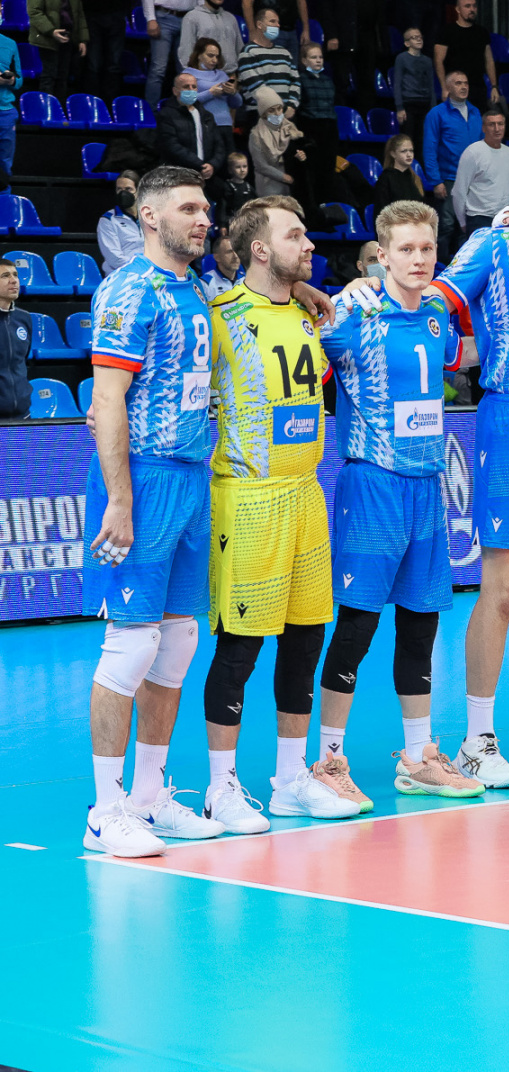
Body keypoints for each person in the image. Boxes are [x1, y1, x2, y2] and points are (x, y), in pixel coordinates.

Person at [348, 129, 509, 783]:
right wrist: (366, 292)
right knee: (503, 586)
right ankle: (477, 740)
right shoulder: (496, 243)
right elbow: (431, 298)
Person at [315, 199, 485, 799]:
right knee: (357, 626)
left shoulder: (436, 314)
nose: (418, 259)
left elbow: (461, 350)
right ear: (381, 255)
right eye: (405, 249)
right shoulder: (354, 313)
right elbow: (303, 339)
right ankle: (328, 761)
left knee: (420, 626)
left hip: (425, 488)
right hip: (373, 484)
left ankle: (418, 757)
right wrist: (330, 296)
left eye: (426, 248)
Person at [80, 166, 227, 856]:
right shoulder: (129, 289)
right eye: (188, 208)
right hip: (142, 479)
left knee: (177, 642)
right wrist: (119, 499)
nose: (203, 219)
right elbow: (107, 399)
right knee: (131, 644)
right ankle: (105, 810)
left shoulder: (194, 287)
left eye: (205, 208)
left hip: (191, 478)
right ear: (148, 217)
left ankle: (148, 797)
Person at [201, 197, 355, 825]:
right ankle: (220, 787)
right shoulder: (219, 317)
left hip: (305, 493)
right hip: (248, 498)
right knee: (240, 649)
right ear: (260, 249)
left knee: (305, 639)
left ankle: (290, 779)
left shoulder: (309, 313)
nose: (310, 244)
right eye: (295, 236)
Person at [316, 0, 385, 115]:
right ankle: (340, 120)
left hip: (367, 38)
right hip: (343, 37)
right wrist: (332, 35)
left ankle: (365, 120)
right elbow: (325, 7)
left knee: (367, 84)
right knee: (341, 82)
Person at [26, 0, 86, 99]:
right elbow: (34, 12)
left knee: (63, 77)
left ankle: (59, 110)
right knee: (49, 75)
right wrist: (51, 31)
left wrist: (81, 38)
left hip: (67, 37)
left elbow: (78, 13)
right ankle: (46, 109)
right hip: (47, 38)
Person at [154, 71, 231, 187]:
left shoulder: (207, 116)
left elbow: (219, 144)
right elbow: (171, 145)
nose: (191, 90)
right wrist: (199, 165)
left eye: (194, 87)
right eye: (186, 87)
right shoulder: (166, 115)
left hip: (207, 175)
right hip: (178, 175)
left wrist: (212, 165)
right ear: (175, 91)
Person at [451, 105, 509, 235]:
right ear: (483, 128)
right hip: (478, 218)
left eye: (500, 124)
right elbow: (459, 191)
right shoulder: (473, 152)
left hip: (505, 219)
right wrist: (462, 222)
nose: (497, 129)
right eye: (491, 124)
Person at [422, 71, 481, 207]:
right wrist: (436, 181)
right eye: (458, 83)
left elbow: (483, 145)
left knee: (472, 218)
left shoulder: (475, 112)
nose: (464, 87)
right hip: (449, 179)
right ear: (448, 88)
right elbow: (429, 149)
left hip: (475, 179)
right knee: (448, 219)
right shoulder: (436, 114)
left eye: (466, 83)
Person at [294, 43, 340, 212]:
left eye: (320, 57)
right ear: (304, 60)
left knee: (328, 170)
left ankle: (326, 207)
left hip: (330, 128)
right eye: (313, 57)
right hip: (311, 128)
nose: (318, 60)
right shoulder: (300, 80)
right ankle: (312, 208)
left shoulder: (328, 81)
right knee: (312, 170)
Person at [433, 0, 498, 108]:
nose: (472, 9)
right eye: (467, 6)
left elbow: (489, 60)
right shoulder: (447, 31)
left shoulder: (482, 32)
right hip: (456, 86)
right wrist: (444, 87)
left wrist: (494, 87)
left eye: (474, 6)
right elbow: (438, 61)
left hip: (478, 87)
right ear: (458, 9)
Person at [237, 8, 301, 120]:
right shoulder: (248, 52)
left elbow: (295, 81)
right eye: (272, 21)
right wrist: (275, 108)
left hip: (286, 114)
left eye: (278, 22)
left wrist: (291, 106)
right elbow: (256, 86)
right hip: (260, 114)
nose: (277, 25)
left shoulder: (285, 53)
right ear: (259, 25)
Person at [178, 0, 243, 83]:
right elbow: (186, 51)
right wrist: (193, 76)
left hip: (230, 76)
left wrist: (238, 75)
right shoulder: (192, 17)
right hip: (204, 77)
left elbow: (239, 48)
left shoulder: (230, 18)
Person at [248, 87, 307, 200]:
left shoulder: (290, 128)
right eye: (271, 110)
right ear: (264, 114)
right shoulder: (256, 135)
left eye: (279, 108)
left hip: (293, 185)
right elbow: (261, 166)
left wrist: (301, 156)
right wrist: (284, 177)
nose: (277, 113)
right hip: (269, 184)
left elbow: (297, 153)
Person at [0, 259, 36, 419]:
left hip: (23, 416)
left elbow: (22, 359)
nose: (13, 280)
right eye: (5, 276)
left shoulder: (24, 318)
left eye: (15, 275)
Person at [182, 38, 237, 128]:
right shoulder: (188, 74)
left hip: (225, 123)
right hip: (203, 125)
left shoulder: (222, 75)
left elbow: (237, 104)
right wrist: (210, 93)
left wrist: (233, 92)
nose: (215, 60)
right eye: (210, 56)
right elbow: (185, 101)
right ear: (199, 55)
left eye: (217, 56)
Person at [392, 27, 434, 144]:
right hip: (409, 103)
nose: (419, 39)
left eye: (420, 37)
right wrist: (400, 108)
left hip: (424, 103)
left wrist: (433, 109)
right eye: (414, 37)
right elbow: (397, 83)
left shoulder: (427, 60)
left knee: (423, 139)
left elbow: (431, 85)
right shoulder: (401, 58)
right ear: (407, 43)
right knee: (408, 138)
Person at [97, 170, 145, 274]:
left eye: (128, 189)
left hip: (150, 273)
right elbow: (114, 259)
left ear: (138, 191)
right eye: (119, 189)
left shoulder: (150, 217)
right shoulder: (108, 220)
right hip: (121, 274)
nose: (123, 193)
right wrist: (141, 269)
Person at [373, 134, 426, 208]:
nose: (409, 155)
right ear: (393, 154)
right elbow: (381, 210)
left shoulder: (414, 178)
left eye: (411, 151)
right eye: (404, 151)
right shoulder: (386, 178)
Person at [0, 23, 19, 186]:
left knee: (5, 163)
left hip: (6, 112)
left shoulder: (10, 44)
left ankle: (5, 196)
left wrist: (11, 80)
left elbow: (19, 79)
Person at [214, 153, 254, 230]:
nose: (242, 170)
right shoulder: (227, 187)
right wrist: (222, 225)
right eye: (238, 167)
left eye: (245, 166)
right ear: (230, 169)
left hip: (247, 221)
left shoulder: (249, 187)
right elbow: (222, 207)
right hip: (231, 222)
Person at [200, 232, 240, 302]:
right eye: (229, 252)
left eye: (237, 251)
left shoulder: (246, 279)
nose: (235, 256)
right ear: (217, 257)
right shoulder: (205, 284)